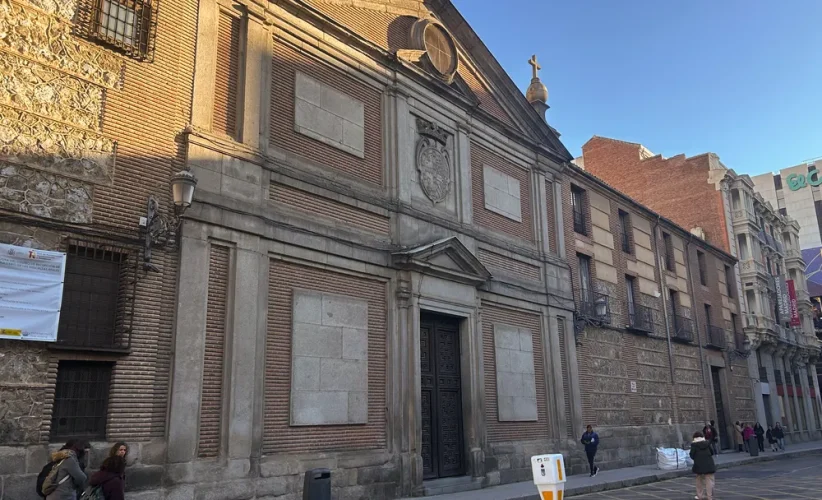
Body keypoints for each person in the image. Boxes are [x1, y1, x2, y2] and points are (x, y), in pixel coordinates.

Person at [690, 431, 716, 500]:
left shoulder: (694, 445)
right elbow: (712, 452)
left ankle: (700, 496)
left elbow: (692, 455)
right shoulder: (707, 443)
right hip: (709, 464)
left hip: (699, 465)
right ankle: (710, 497)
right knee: (710, 481)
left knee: (699, 481)